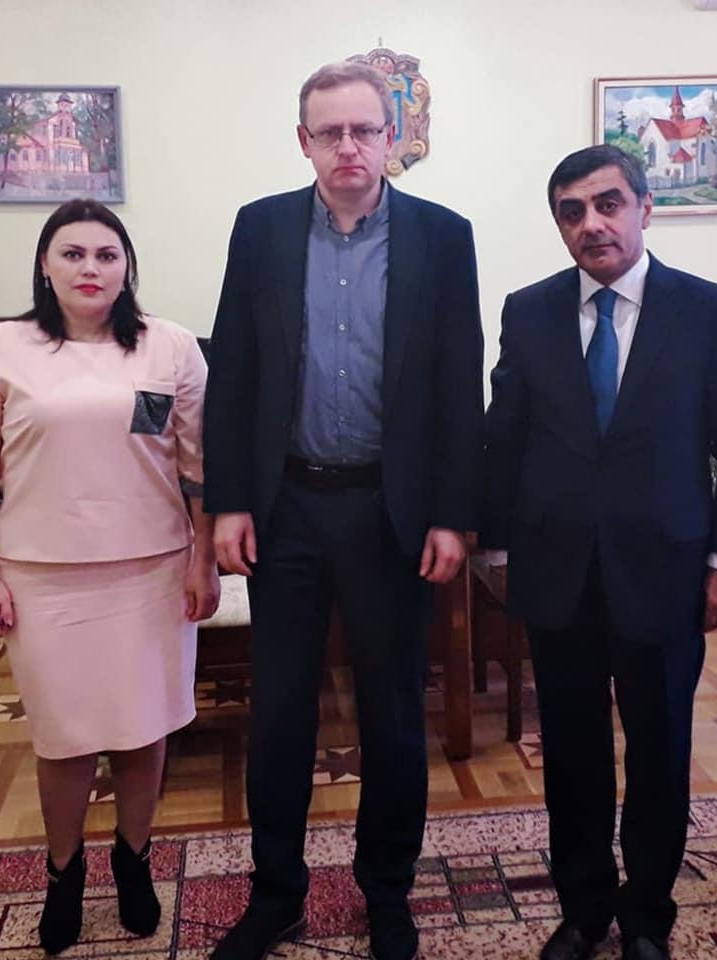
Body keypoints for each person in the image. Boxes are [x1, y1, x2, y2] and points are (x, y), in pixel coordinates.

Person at [203, 60, 484, 960]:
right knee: (280, 713)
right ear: (305, 142)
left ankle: (387, 892)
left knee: (393, 711)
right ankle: (277, 893)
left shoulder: (443, 236)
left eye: (365, 129)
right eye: (331, 132)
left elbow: (458, 385)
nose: (349, 146)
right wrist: (228, 503)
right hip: (286, 509)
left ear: (392, 137)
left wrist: (452, 514)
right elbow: (234, 374)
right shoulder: (260, 229)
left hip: (388, 515)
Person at [482, 145, 717, 960]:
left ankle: (646, 917)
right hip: (558, 574)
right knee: (571, 755)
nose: (592, 224)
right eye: (572, 212)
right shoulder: (529, 311)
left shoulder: (708, 311)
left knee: (660, 752)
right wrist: (496, 547)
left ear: (646, 207)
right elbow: (504, 438)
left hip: (667, 572)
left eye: (608, 204)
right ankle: (583, 911)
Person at [0, 199, 220, 955]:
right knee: (64, 738)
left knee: (145, 729)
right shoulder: (0, 347)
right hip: (42, 577)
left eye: (106, 255)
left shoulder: (169, 347)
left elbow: (199, 469)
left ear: (126, 268)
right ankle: (63, 871)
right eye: (73, 253)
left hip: (152, 570)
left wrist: (203, 557)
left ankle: (134, 861)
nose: (90, 268)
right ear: (45, 266)